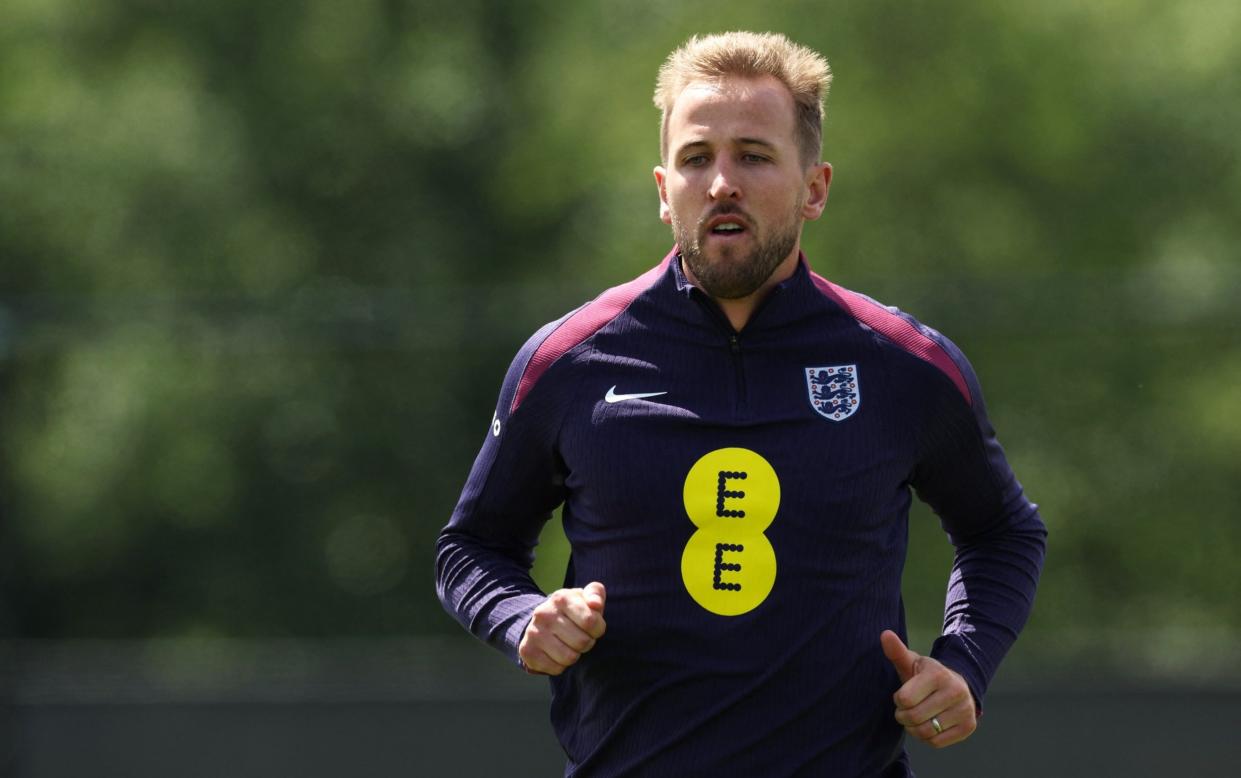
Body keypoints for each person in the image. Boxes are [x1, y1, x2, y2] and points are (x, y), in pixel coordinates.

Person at [436, 31, 1046, 777]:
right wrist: (521, 618)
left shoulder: (902, 364)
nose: (721, 182)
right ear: (663, 192)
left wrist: (964, 660)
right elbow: (472, 549)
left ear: (814, 187)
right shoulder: (568, 362)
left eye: (752, 156)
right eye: (697, 158)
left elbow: (1001, 531)